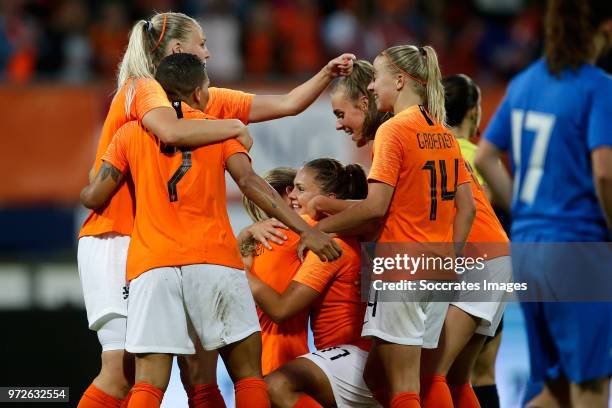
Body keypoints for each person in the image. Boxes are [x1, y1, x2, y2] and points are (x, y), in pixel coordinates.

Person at [76, 11, 355, 408]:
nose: (209, 53)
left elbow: (290, 103)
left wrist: (326, 74)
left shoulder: (169, 121)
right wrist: (233, 130)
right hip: (117, 239)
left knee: (193, 374)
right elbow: (192, 142)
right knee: (123, 374)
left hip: (153, 255)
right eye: (202, 44)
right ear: (177, 51)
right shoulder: (145, 92)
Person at [314, 45, 475, 408]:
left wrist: (317, 229)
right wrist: (450, 255)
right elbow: (466, 208)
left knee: (403, 386)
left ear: (400, 80)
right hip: (437, 270)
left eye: (377, 80)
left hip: (401, 269)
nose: (371, 88)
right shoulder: (444, 133)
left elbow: (375, 208)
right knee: (381, 378)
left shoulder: (394, 131)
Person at [475, 1, 612, 406]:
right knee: (591, 385)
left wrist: (528, 214)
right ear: (602, 29)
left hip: (530, 250)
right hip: (578, 250)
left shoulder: (524, 83)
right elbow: (604, 172)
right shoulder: (598, 86)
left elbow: (485, 156)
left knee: (556, 389)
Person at [246, 158, 383, 408]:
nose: (291, 196)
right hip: (365, 357)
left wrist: (241, 271)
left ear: (328, 198)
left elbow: (280, 309)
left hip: (354, 357)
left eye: (300, 189)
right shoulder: (360, 233)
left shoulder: (329, 247)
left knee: (276, 385)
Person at [238, 167, 312, 376]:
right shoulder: (293, 235)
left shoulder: (254, 243)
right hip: (284, 359)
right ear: (289, 194)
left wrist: (246, 235)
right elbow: (279, 310)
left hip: (255, 361)